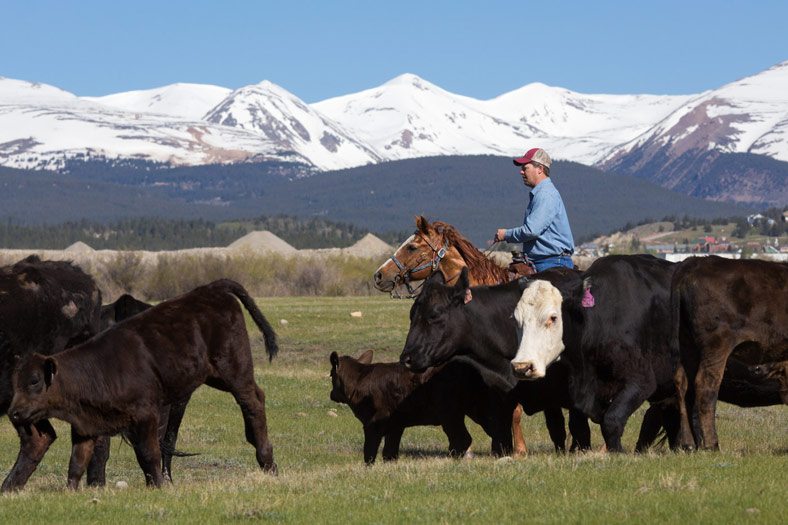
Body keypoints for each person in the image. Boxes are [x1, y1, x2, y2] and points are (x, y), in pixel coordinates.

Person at [493, 147, 575, 272]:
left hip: (551, 264)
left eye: (525, 168)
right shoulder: (544, 193)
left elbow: (531, 230)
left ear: (540, 169)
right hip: (548, 261)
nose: (521, 172)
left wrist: (506, 235)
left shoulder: (545, 194)